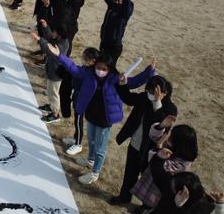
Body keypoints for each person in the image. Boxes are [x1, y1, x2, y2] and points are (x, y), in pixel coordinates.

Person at [48, 44, 156, 185]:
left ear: (109, 69)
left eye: (104, 69)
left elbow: (134, 82)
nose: (100, 71)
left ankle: (95, 173)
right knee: (91, 140)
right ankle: (90, 160)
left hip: (105, 120)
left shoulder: (115, 79)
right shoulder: (87, 73)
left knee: (100, 148)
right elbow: (72, 67)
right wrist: (59, 55)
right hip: (91, 115)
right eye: (98, 67)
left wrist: (149, 71)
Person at [109, 75, 178, 207]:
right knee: (130, 173)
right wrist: (122, 85)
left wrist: (157, 104)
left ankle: (146, 207)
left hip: (151, 149)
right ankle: (124, 197)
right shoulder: (144, 97)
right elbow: (128, 99)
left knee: (148, 179)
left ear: (165, 93)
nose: (151, 95)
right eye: (149, 91)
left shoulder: (170, 108)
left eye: (155, 93)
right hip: (136, 143)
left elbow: (164, 125)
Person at [132, 122, 199, 213]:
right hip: (154, 178)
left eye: (172, 137)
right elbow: (153, 136)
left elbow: (162, 167)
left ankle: (147, 209)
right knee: (146, 199)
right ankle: (144, 206)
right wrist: (161, 126)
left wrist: (159, 148)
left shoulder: (184, 163)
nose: (169, 138)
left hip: (159, 186)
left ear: (179, 142)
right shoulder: (175, 147)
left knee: (151, 201)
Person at [61, 47, 99, 156]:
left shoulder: (91, 73)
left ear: (93, 61)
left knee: (78, 122)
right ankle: (75, 138)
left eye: (85, 58)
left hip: (82, 103)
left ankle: (78, 144)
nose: (83, 59)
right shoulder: (86, 68)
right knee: (76, 121)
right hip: (77, 98)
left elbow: (77, 73)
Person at [31, 19, 69, 123]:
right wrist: (46, 27)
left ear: (59, 35)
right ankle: (51, 106)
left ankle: (55, 114)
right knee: (50, 91)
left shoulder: (61, 46)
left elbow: (49, 48)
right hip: (52, 70)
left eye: (55, 32)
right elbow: (49, 39)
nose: (53, 33)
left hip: (56, 73)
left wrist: (39, 40)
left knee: (54, 94)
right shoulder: (59, 40)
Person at [96, 0, 134, 66]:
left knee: (109, 67)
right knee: (100, 64)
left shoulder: (125, 12)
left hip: (114, 47)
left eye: (119, 0)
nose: (116, 1)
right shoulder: (111, 5)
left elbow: (127, 8)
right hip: (104, 42)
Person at [151, 172, 224, 214]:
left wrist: (176, 207)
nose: (171, 187)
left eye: (173, 186)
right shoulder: (205, 203)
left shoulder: (202, 209)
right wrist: (221, 204)